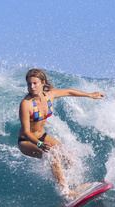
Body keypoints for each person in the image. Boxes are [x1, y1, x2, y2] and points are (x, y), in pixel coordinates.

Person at [18, 69, 104, 198]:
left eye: (35, 83)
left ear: (43, 83)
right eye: (29, 84)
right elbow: (26, 131)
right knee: (53, 155)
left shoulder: (50, 95)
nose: (32, 87)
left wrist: (90, 95)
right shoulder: (26, 104)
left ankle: (73, 186)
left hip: (42, 136)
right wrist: (40, 144)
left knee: (69, 156)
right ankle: (66, 193)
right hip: (27, 141)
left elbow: (69, 92)